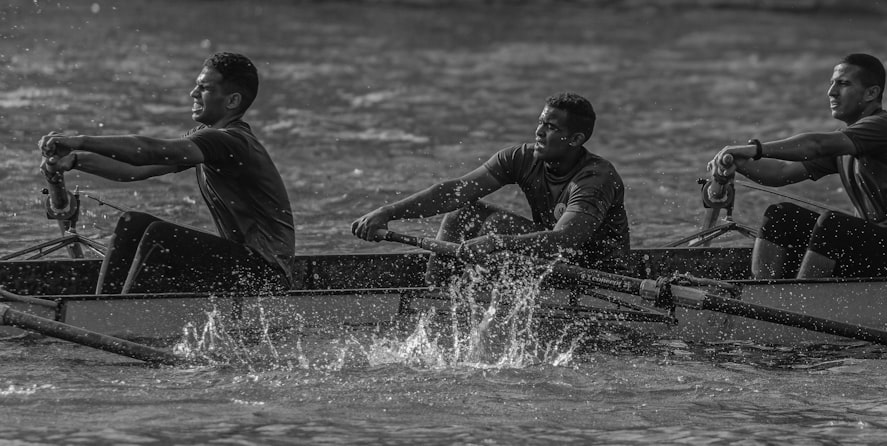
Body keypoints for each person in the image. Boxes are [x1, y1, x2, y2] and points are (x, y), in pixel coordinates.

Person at [38, 52, 295, 295]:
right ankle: (102, 307)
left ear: (232, 101)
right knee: (132, 222)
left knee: (160, 236)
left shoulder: (229, 141)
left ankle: (116, 315)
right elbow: (134, 170)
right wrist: (72, 160)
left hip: (266, 278)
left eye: (204, 88)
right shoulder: (206, 141)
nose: (193, 93)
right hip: (242, 268)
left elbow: (147, 152)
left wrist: (79, 141)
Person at [352, 92, 630, 285]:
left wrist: (498, 242)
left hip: (596, 269)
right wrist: (387, 212)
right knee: (463, 214)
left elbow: (566, 239)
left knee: (495, 226)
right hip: (549, 259)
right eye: (540, 122)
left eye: (551, 127)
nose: (539, 132)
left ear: (575, 139)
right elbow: (454, 191)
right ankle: (436, 293)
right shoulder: (521, 158)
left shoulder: (595, 178)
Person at [708, 53, 887, 279]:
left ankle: (800, 303)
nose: (831, 92)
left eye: (843, 84)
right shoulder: (846, 144)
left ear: (871, 93)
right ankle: (761, 295)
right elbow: (781, 172)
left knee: (833, 225)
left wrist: (756, 149)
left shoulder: (885, 127)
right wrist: (739, 163)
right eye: (831, 84)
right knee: (781, 215)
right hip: (876, 252)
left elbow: (816, 144)